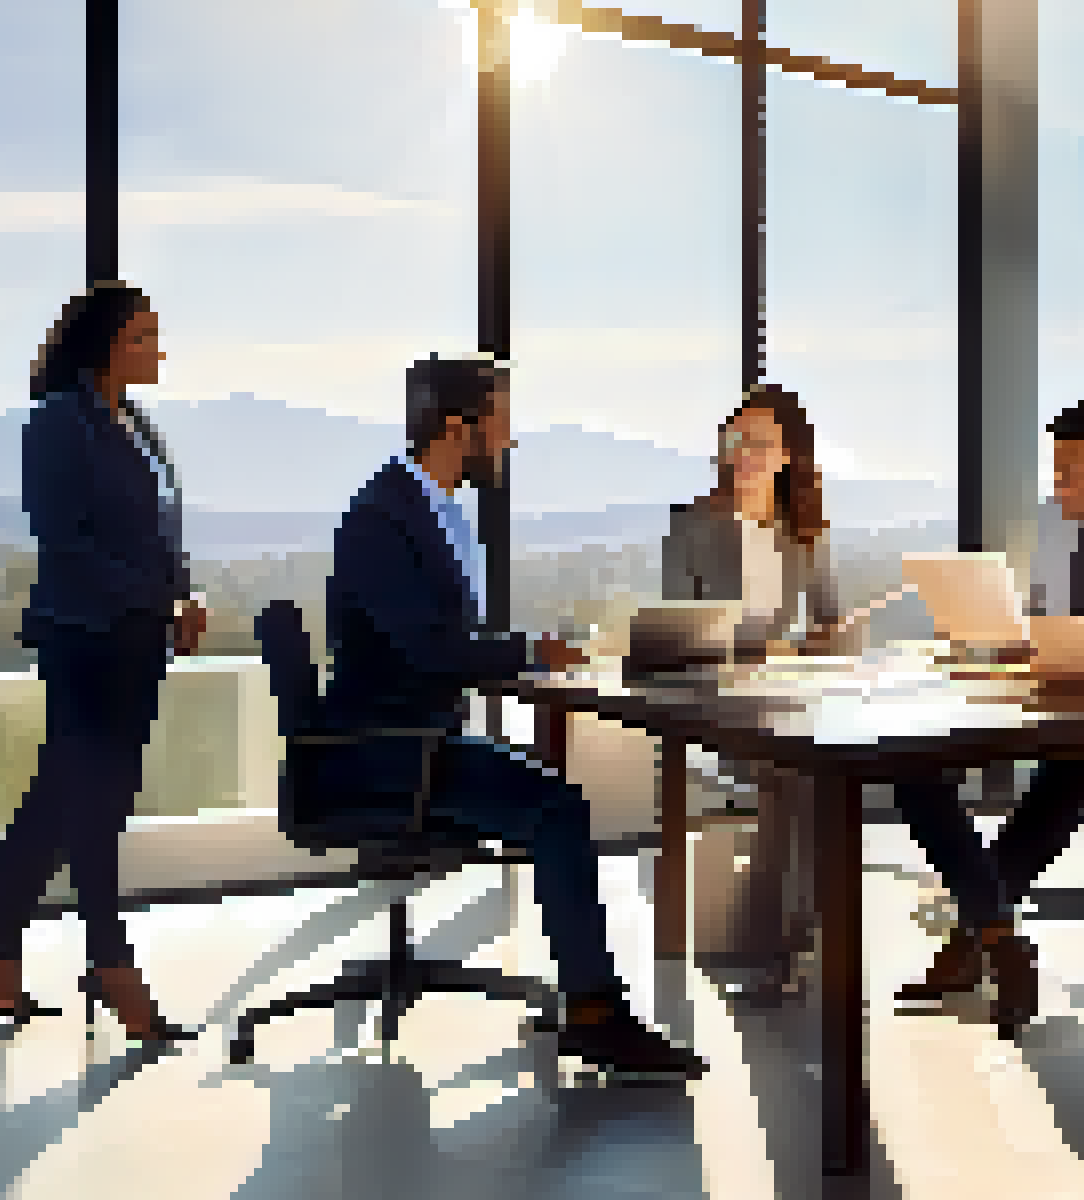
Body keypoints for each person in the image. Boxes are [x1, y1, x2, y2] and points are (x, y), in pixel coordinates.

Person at [306, 353, 702, 1078]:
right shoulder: (381, 518)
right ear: (460, 427)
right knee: (555, 807)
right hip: (387, 749)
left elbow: (440, 641)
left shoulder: (430, 507)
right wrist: (522, 651)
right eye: (502, 423)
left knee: (551, 799)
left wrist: (524, 650)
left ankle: (589, 1002)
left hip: (421, 737)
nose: (509, 440)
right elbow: (426, 649)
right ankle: (592, 1012)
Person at [892, 399, 1084, 1037]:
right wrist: (1008, 640)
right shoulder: (1053, 520)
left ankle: (979, 942)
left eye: (1070, 474)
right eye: (1056, 472)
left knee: (1063, 784)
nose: (1058, 488)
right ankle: (996, 936)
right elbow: (1038, 610)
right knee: (913, 766)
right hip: (1044, 687)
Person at [0, 282, 210, 1041]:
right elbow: (65, 543)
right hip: (84, 638)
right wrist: (158, 601)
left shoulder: (139, 426)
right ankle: (111, 966)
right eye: (140, 336)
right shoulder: (57, 424)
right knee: (94, 803)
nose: (155, 350)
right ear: (102, 342)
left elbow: (159, 530)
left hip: (137, 640)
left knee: (64, 798)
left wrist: (183, 597)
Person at [662, 384, 846, 965]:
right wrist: (750, 654)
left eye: (758, 444)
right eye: (733, 441)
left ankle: (800, 940)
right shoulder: (693, 526)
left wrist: (815, 646)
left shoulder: (802, 534)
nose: (742, 453)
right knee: (795, 773)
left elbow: (830, 630)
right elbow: (677, 638)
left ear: (788, 455)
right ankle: (771, 947)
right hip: (715, 711)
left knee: (819, 768)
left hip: (789, 707)